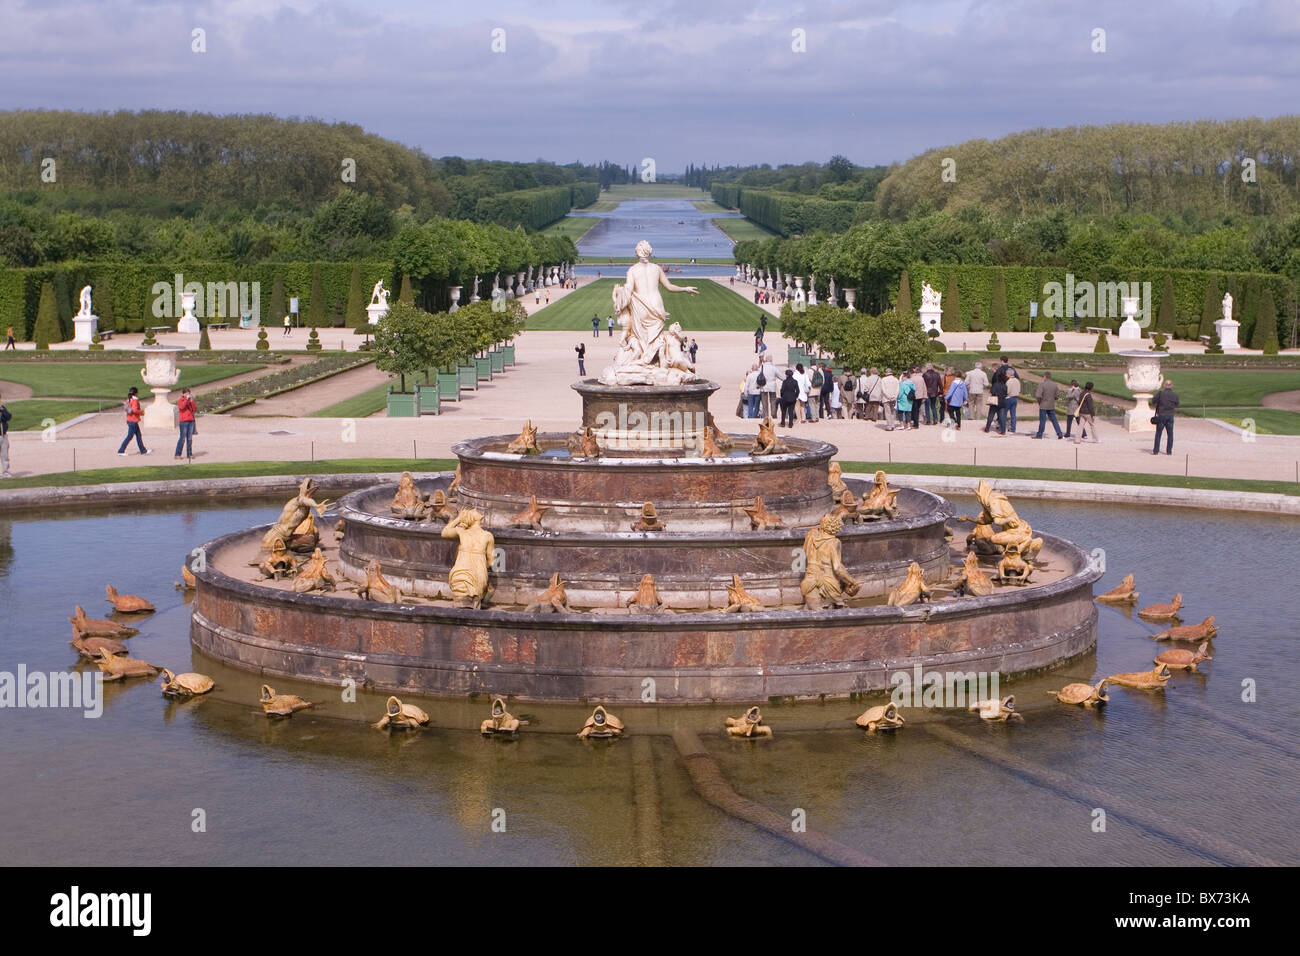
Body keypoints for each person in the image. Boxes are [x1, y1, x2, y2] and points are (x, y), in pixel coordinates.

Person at [116, 387, 149, 456]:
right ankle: (121, 450)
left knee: (138, 435)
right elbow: (134, 410)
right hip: (133, 421)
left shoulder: (129, 400)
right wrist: (142, 412)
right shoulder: (134, 400)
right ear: (136, 393)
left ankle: (143, 450)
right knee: (130, 436)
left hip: (130, 420)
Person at [1033, 371, 1064, 439]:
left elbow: (1038, 396)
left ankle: (1039, 435)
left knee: (1042, 421)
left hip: (1043, 405)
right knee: (1054, 420)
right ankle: (1059, 434)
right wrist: (1052, 399)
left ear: (1045, 377)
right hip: (1051, 405)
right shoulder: (1054, 385)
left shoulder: (1042, 385)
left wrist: (1039, 403)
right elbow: (1057, 396)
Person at [1153, 380, 1180, 455]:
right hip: (1170, 415)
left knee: (1158, 434)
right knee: (1170, 434)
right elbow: (1177, 403)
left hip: (1161, 415)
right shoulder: (1174, 394)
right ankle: (1169, 451)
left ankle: (1156, 451)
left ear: (1164, 385)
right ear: (1171, 385)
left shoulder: (1161, 393)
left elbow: (1153, 401)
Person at [174, 387, 197, 460]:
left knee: (189, 439)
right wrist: (187, 400)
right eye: (186, 393)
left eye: (189, 393)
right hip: (184, 421)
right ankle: (177, 454)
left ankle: (189, 454)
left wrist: (191, 401)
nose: (188, 395)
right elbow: (182, 407)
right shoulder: (180, 400)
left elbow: (194, 409)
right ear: (183, 394)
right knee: (182, 438)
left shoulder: (190, 401)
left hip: (191, 420)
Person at [761, 354, 779, 419]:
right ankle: (773, 413)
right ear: (771, 360)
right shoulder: (773, 368)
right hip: (772, 386)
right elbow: (781, 376)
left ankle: (766, 415)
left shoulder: (762, 367)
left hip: (763, 386)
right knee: (773, 400)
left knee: (764, 401)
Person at [1005, 368, 1021, 433]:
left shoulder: (1009, 381)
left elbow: (1007, 391)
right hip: (1015, 398)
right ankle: (1013, 428)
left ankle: (1003, 426)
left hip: (1009, 398)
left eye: (1006, 374)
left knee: (1003, 412)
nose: (1006, 375)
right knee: (1013, 414)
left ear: (1009, 374)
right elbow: (1019, 390)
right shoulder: (1017, 381)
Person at [0, 391, 12, 477]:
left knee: (5, 455)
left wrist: (2, 410)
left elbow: (8, 417)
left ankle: (6, 472)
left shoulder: (2, 408)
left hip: (3, 435)